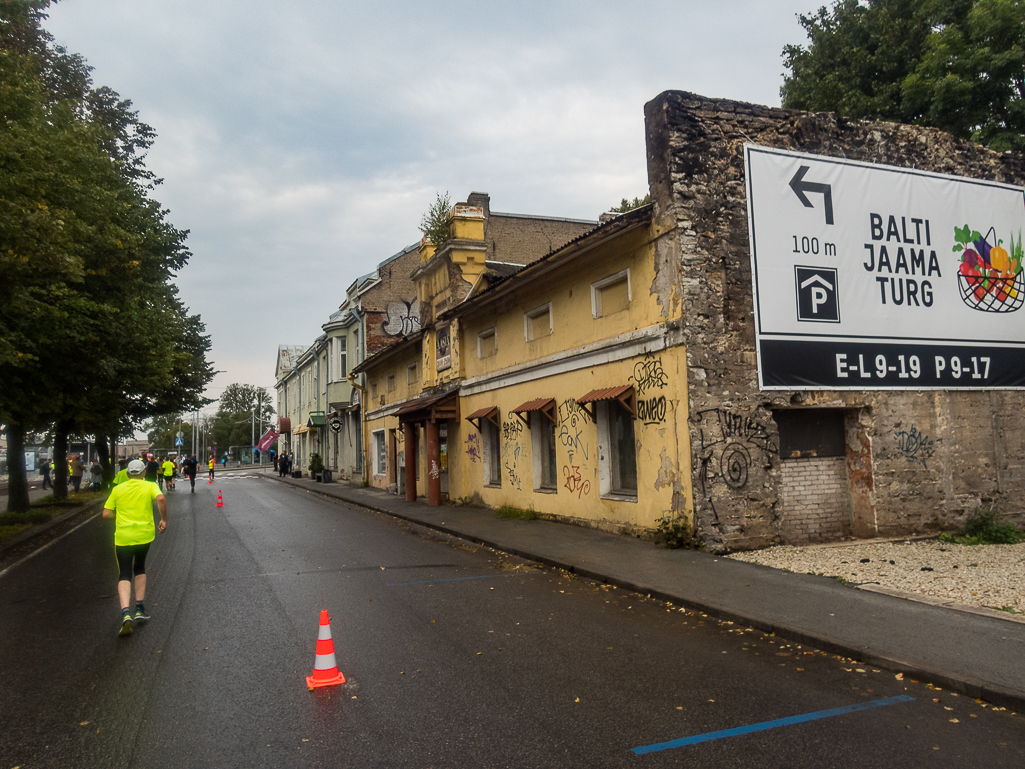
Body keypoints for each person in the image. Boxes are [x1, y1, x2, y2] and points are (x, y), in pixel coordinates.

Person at [101, 459, 167, 637]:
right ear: (144, 472)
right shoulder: (150, 486)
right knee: (140, 567)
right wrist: (163, 519)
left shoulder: (118, 489)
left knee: (124, 573)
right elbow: (160, 498)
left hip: (123, 537)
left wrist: (121, 515)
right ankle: (139, 608)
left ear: (128, 473)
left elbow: (106, 513)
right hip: (144, 535)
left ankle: (125, 612)